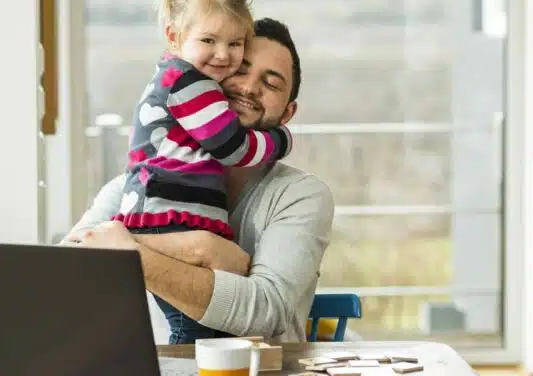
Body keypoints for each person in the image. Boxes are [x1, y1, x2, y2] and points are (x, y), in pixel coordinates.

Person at [63, 17, 335, 344]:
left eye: (271, 83)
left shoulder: (301, 196)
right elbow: (63, 273)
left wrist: (129, 251)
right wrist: (200, 248)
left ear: (288, 114)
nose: (249, 87)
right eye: (240, 70)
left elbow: (265, 313)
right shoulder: (131, 187)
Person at [115, 0, 293, 343]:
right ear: (173, 35)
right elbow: (235, 148)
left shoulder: (186, 79)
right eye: (208, 41)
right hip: (165, 219)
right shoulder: (187, 82)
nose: (224, 55)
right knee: (191, 329)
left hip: (165, 217)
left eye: (235, 44)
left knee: (201, 328)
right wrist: (280, 140)